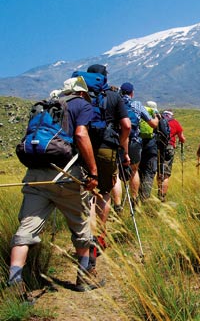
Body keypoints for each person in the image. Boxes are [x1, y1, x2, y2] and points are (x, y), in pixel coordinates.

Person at [8, 76, 104, 298]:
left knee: (26, 229)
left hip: (35, 175)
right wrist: (93, 171)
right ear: (82, 92)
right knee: (81, 227)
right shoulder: (81, 104)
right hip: (66, 174)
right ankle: (84, 277)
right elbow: (81, 134)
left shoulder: (46, 106)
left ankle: (14, 282)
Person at [85, 64, 131, 256]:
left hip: (83, 150)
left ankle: (86, 239)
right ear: (104, 77)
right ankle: (100, 237)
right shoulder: (114, 95)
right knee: (104, 192)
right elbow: (127, 126)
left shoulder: (81, 95)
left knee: (86, 195)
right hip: (107, 148)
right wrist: (120, 145)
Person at [120, 82, 159, 209]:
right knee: (134, 171)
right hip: (134, 142)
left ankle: (117, 204)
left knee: (116, 173)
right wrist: (157, 118)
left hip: (118, 141)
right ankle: (134, 199)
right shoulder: (137, 105)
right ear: (132, 93)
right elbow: (153, 124)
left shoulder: (116, 103)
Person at [157, 110, 185, 201]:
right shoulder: (175, 122)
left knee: (160, 172)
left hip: (158, 147)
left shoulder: (159, 120)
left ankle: (158, 193)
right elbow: (182, 138)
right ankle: (163, 196)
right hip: (169, 147)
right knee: (166, 175)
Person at [138, 101, 159, 201]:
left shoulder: (139, 113)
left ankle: (135, 197)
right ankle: (145, 198)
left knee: (138, 172)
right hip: (151, 148)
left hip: (138, 145)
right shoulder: (156, 117)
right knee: (149, 173)